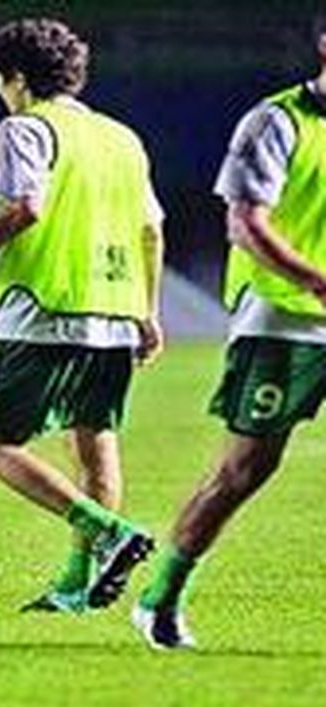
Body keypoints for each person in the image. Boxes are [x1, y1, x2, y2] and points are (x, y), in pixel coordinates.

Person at [0, 18, 165, 613]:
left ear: (17, 77)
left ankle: (112, 533)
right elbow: (151, 230)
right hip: (114, 308)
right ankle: (74, 589)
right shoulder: (122, 139)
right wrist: (146, 311)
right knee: (94, 442)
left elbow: (24, 208)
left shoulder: (23, 128)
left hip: (44, 306)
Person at [130, 16, 326, 649]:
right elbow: (245, 224)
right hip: (284, 320)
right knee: (245, 470)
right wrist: (317, 282)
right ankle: (161, 597)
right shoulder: (275, 122)